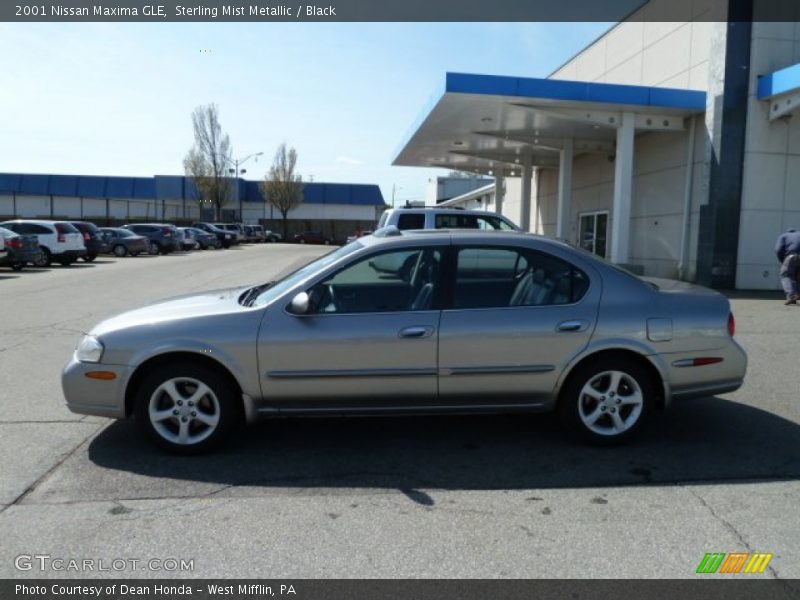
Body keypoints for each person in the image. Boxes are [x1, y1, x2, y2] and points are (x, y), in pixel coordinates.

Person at [775, 228, 800, 305]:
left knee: (786, 275)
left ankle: (792, 296)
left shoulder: (784, 236)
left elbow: (778, 249)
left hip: (792, 256)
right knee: (798, 276)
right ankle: (797, 294)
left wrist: (782, 260)